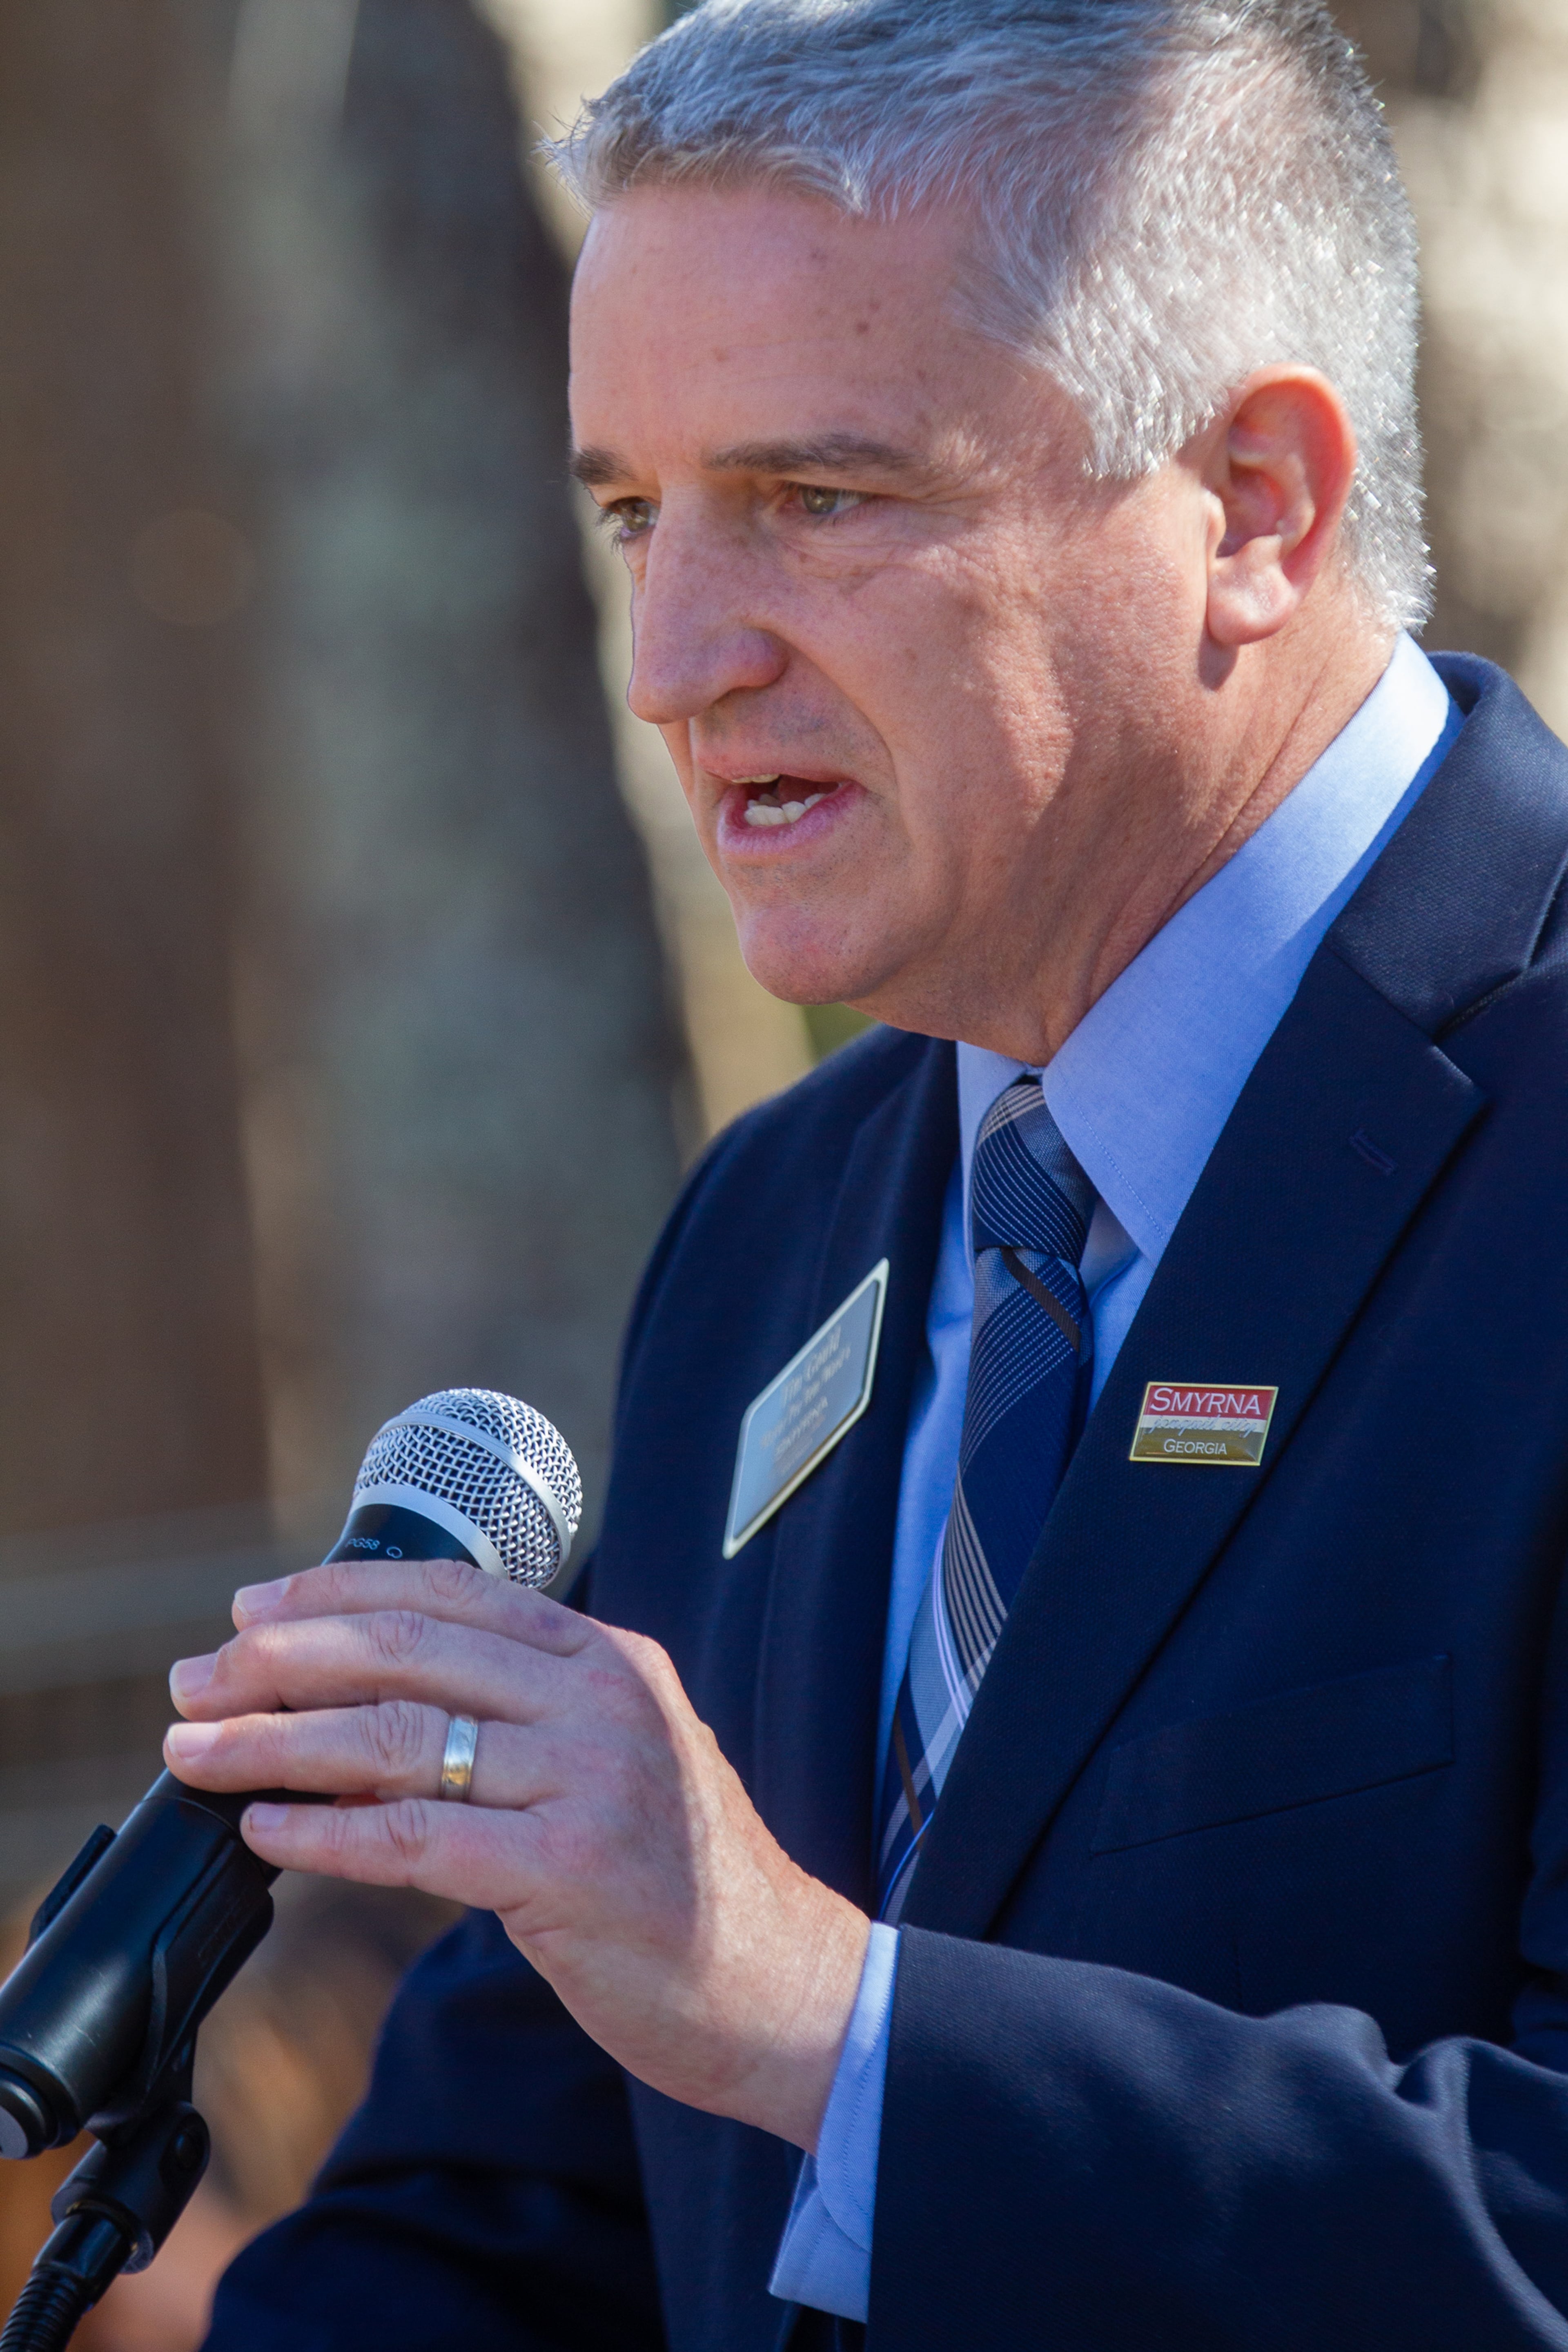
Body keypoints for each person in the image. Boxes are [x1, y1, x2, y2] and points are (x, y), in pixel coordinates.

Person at [174, 3, 1568, 2345]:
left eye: (819, 501)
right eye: (635, 512)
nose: (675, 659)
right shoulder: (777, 1228)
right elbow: (533, 2217)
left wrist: (817, 2011)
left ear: (1255, 505)